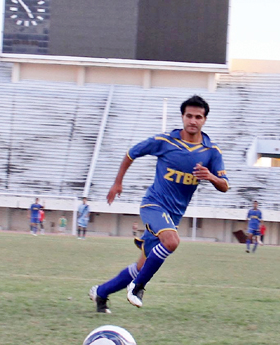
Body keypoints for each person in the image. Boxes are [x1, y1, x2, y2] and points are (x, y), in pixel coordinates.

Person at [89, 95, 229, 313]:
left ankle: (101, 293)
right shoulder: (165, 142)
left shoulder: (211, 152)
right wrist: (118, 182)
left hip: (173, 216)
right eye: (189, 116)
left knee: (140, 267)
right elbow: (130, 153)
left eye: (198, 117)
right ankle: (137, 288)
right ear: (182, 117)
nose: (193, 120)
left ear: (205, 120)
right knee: (172, 242)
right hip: (153, 205)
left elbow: (225, 186)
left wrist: (211, 177)